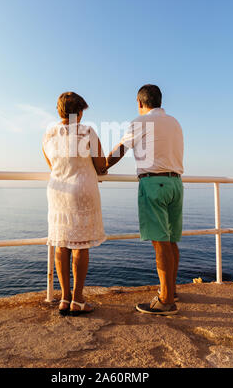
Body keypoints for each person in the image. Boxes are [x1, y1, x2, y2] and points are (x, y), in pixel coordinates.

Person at [104, 84, 184, 316]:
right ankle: (171, 289)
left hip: (154, 184)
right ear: (160, 101)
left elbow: (120, 149)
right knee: (170, 240)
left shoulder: (140, 122)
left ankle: (166, 300)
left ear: (140, 103)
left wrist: (102, 167)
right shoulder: (175, 122)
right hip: (175, 183)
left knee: (160, 242)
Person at [42, 92, 107, 316]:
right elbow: (100, 164)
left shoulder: (49, 134)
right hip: (81, 191)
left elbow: (52, 164)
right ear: (79, 112)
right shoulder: (87, 131)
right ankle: (78, 300)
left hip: (58, 191)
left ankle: (64, 298)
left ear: (60, 111)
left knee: (61, 245)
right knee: (80, 245)